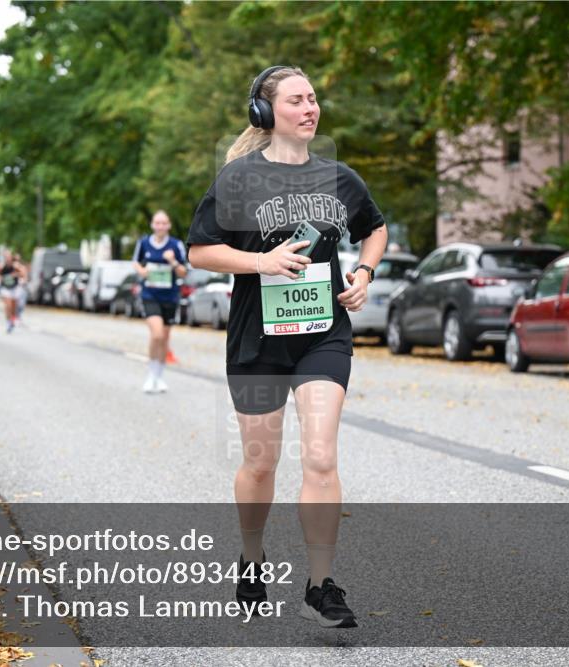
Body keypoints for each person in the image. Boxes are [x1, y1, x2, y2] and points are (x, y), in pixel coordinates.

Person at [187, 66, 387, 629]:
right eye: (296, 100)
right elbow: (200, 251)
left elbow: (375, 227)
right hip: (258, 341)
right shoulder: (237, 180)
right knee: (260, 462)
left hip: (324, 334)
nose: (309, 108)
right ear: (265, 112)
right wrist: (261, 262)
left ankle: (321, 585)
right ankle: (252, 556)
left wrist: (365, 272)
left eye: (313, 98)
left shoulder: (340, 178)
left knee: (321, 455)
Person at [133, 211, 188, 393]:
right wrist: (141, 271)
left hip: (170, 297)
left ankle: (159, 376)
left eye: (164, 223)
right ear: (152, 225)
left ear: (169, 225)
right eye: (157, 223)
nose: (160, 226)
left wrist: (172, 261)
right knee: (156, 334)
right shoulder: (144, 243)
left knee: (164, 339)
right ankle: (150, 375)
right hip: (150, 294)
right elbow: (135, 263)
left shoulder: (176, 245)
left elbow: (183, 272)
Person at [0, 250, 26, 333]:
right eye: (6, 256)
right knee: (7, 305)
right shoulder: (1, 266)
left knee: (13, 306)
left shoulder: (16, 265)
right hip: (5, 288)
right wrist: (0, 277)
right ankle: (8, 322)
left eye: (9, 256)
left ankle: (13, 318)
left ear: (11, 257)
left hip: (14, 287)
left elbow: (23, 273)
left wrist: (15, 275)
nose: (7, 258)